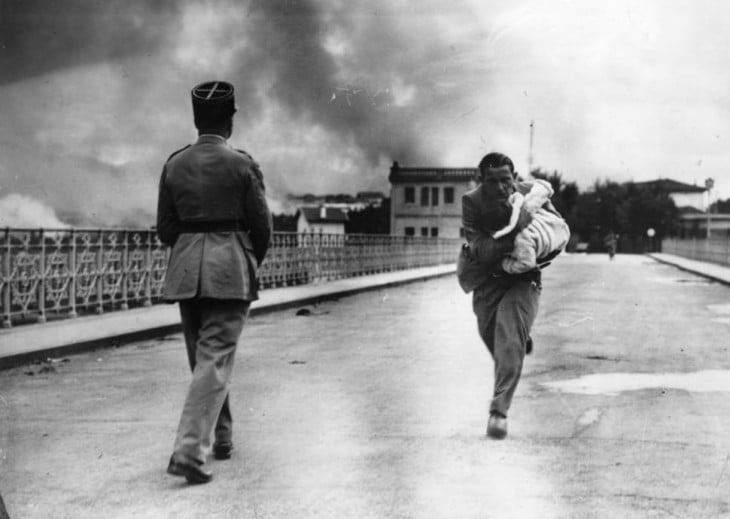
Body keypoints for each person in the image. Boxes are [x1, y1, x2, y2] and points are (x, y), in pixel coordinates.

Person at [157, 80, 272, 483]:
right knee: (214, 359)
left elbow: (165, 229)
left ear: (195, 119)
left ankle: (220, 436)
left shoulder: (174, 164)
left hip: (186, 271)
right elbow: (263, 228)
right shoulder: (243, 164)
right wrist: (243, 260)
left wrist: (192, 244)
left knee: (204, 360)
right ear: (230, 119)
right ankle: (190, 451)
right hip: (229, 270)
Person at [457, 152, 563, 439]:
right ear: (482, 182)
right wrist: (515, 229)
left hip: (524, 277)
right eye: (492, 182)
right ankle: (518, 339)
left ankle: (498, 412)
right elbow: (481, 250)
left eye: (506, 180)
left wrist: (537, 235)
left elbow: (556, 226)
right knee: (492, 334)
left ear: (514, 178)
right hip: (487, 276)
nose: (501, 188)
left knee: (507, 339)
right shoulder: (472, 202)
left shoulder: (529, 191)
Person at [490, 178, 570, 274]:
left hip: (556, 233)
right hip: (548, 227)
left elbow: (545, 187)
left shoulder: (518, 242)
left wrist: (503, 265)